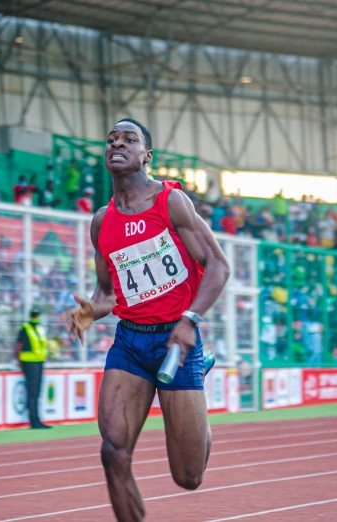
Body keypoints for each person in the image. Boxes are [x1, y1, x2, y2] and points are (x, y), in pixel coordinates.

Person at [68, 118, 230, 521]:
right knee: (113, 452)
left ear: (147, 156)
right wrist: (90, 311)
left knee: (188, 477)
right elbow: (107, 293)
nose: (117, 144)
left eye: (129, 139)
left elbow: (218, 266)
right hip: (131, 344)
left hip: (176, 343)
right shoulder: (102, 222)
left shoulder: (170, 202)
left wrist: (190, 319)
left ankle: (200, 386)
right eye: (111, 139)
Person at [15, 307, 50, 429]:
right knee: (32, 392)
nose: (36, 317)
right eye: (34, 315)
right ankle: (33, 420)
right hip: (29, 363)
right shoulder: (25, 329)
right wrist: (19, 361)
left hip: (39, 362)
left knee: (37, 392)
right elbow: (19, 345)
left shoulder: (40, 329)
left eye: (37, 315)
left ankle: (36, 418)